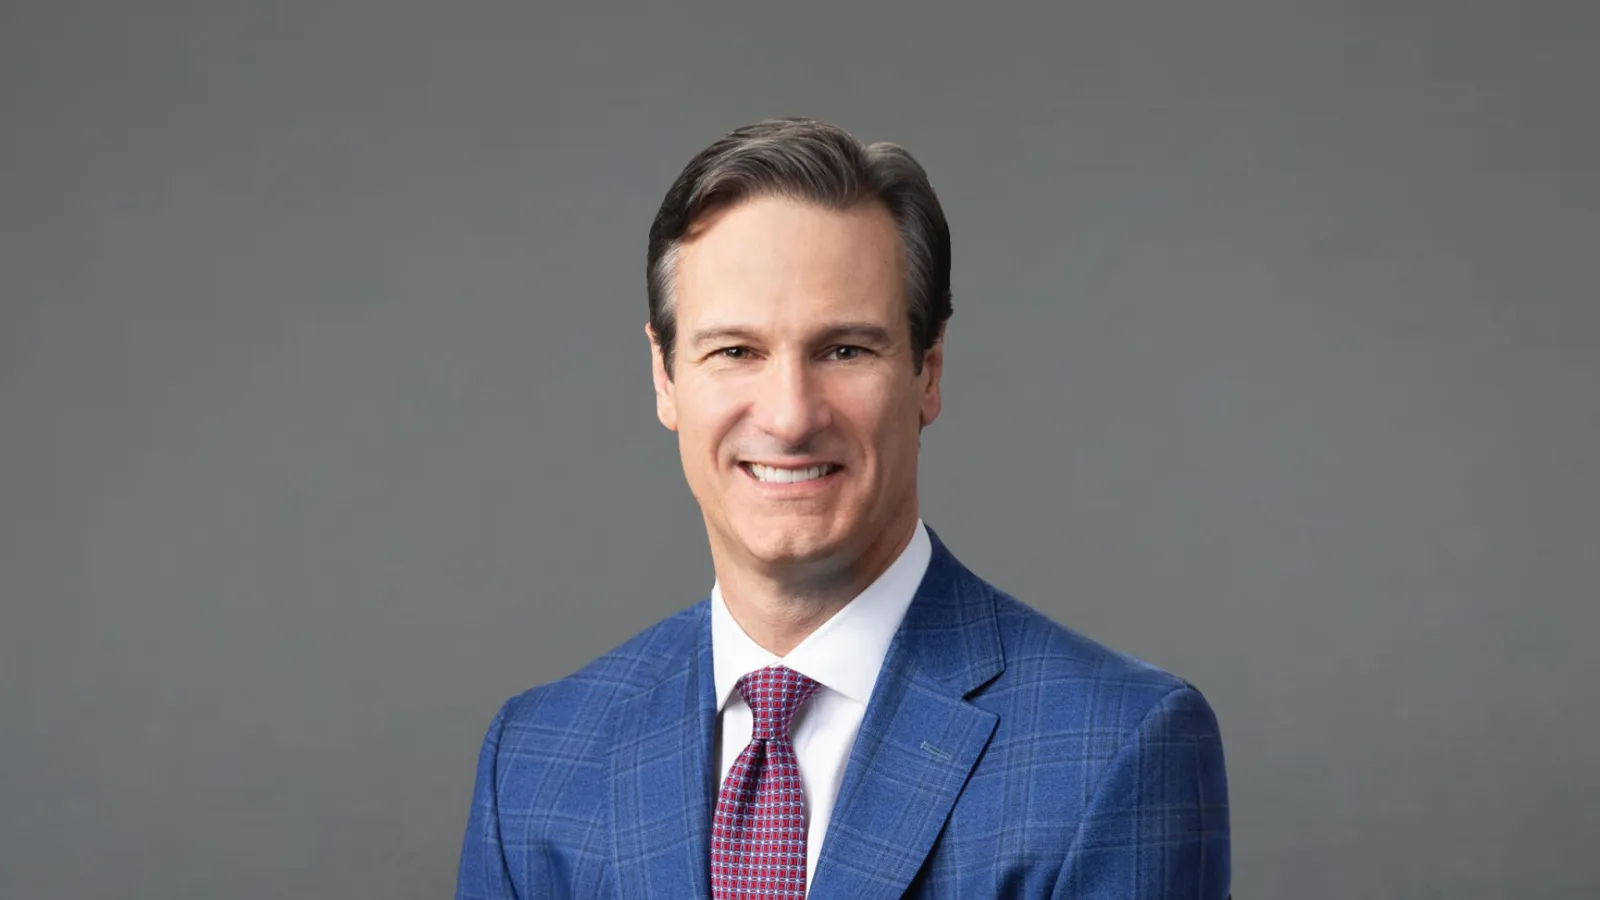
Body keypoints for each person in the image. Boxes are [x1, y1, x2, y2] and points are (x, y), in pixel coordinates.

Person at [455, 116, 1230, 899]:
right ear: (664, 376)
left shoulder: (1117, 749)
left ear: (927, 374)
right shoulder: (535, 764)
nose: (790, 416)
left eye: (845, 351)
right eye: (735, 351)